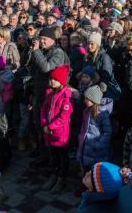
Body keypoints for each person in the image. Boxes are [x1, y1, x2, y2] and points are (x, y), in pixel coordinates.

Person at [40, 64, 73, 194]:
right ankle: (54, 175)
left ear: (62, 81)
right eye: (51, 78)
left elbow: (63, 117)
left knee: (62, 158)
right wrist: (44, 124)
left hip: (60, 134)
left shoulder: (66, 96)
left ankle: (61, 179)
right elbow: (43, 109)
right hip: (49, 132)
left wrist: (50, 126)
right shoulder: (49, 93)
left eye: (55, 79)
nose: (52, 81)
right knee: (53, 157)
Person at [77, 84, 113, 170]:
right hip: (85, 147)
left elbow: (107, 132)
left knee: (94, 174)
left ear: (94, 100)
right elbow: (83, 127)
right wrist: (80, 137)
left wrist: (99, 144)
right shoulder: (86, 110)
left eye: (87, 98)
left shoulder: (102, 114)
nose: (84, 100)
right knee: (85, 171)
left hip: (96, 150)